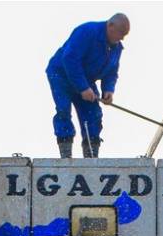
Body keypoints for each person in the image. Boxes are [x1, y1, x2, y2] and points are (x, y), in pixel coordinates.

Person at [46, 13, 129, 158]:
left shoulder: (116, 48)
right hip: (61, 74)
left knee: (93, 114)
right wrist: (82, 87)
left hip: (85, 79)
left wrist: (108, 90)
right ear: (110, 26)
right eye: (121, 33)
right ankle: (66, 155)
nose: (122, 38)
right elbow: (70, 58)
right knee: (63, 109)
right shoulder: (87, 32)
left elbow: (112, 71)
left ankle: (91, 156)